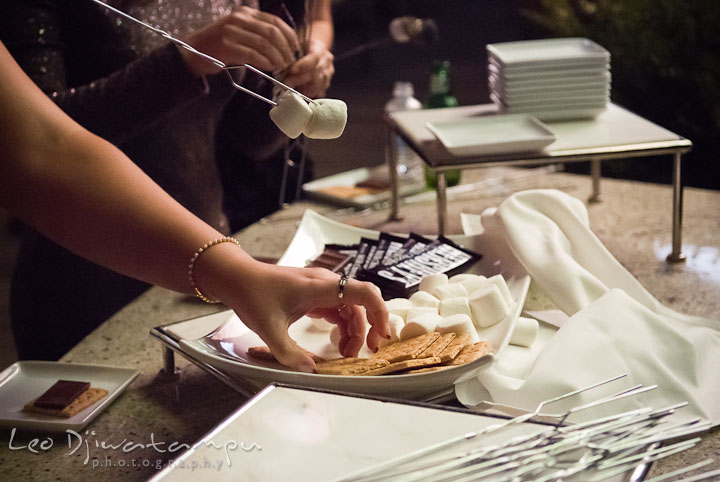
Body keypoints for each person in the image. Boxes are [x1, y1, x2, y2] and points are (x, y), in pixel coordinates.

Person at [0, 40, 386, 373]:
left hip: (186, 253)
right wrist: (181, 62)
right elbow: (42, 148)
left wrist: (240, 276)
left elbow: (47, 148)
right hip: (79, 283)